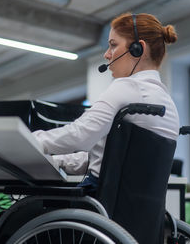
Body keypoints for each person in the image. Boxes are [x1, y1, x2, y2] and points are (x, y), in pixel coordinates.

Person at [33, 12, 180, 191]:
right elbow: (108, 158)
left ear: (137, 49)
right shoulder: (167, 103)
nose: (107, 55)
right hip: (133, 208)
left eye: (113, 45)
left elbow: (79, 135)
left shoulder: (127, 87)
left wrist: (28, 141)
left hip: (103, 200)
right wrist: (56, 161)